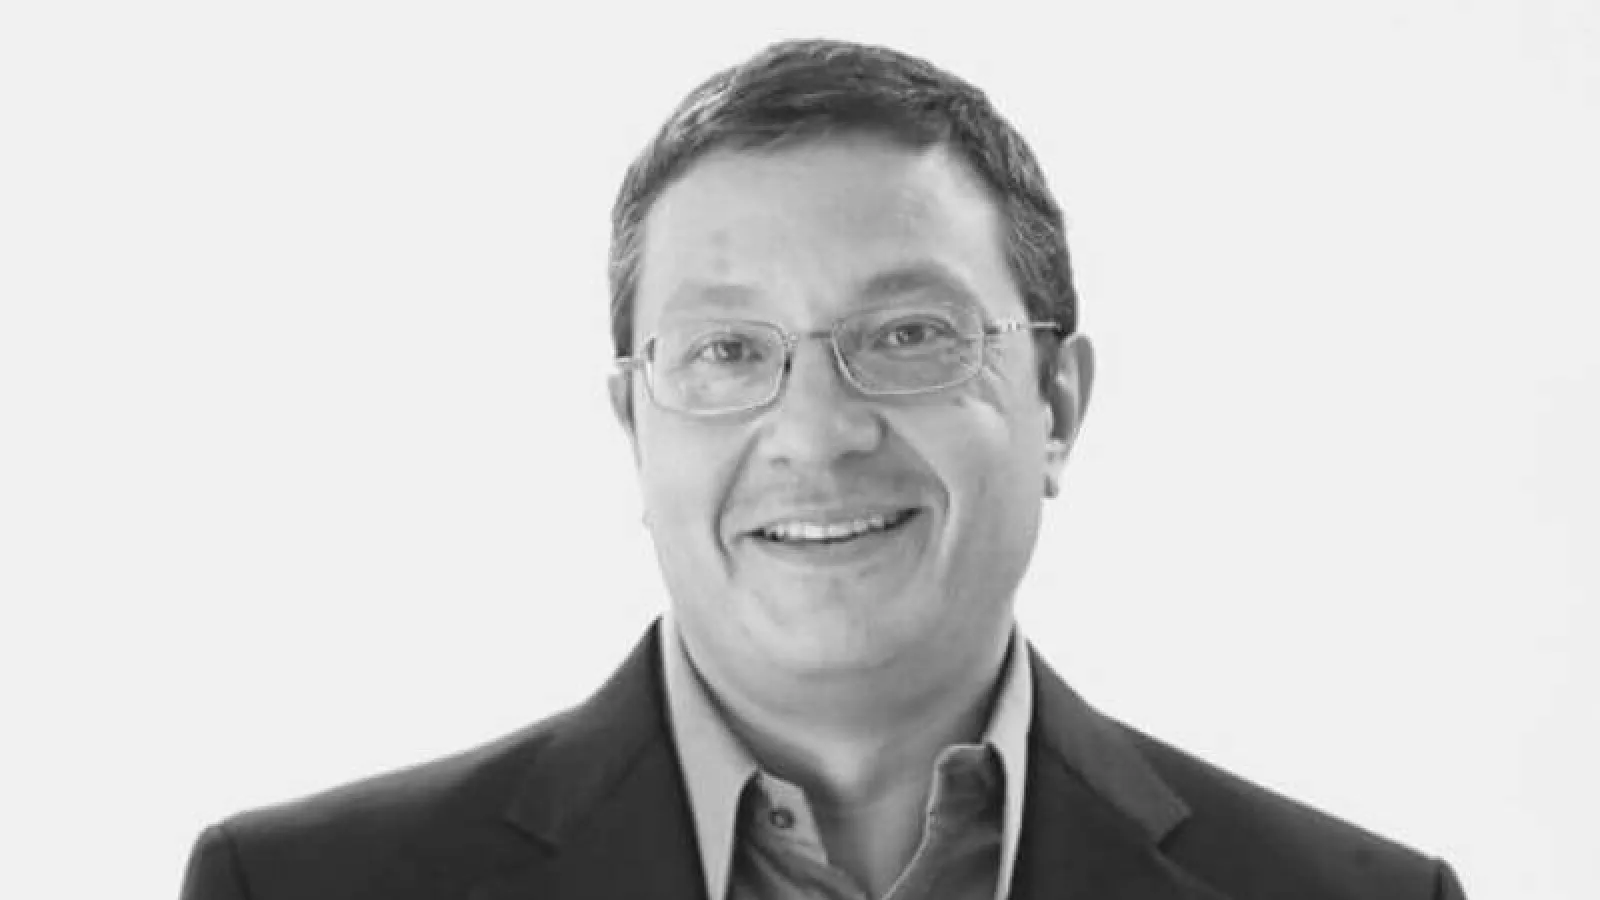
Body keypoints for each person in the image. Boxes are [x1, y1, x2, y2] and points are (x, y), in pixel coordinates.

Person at [180, 38, 1468, 900]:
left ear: (1058, 406)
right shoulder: (294, 890)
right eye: (728, 351)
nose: (816, 431)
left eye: (907, 337)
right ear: (636, 427)